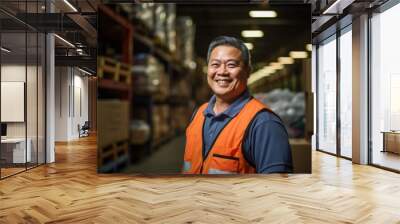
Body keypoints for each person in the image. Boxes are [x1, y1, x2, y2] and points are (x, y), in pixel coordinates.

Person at [182, 36, 293, 174]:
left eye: (231, 65)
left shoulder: (264, 124)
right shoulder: (199, 114)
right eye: (215, 64)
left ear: (247, 72)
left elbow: (277, 190)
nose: (222, 72)